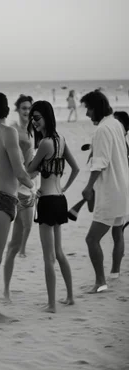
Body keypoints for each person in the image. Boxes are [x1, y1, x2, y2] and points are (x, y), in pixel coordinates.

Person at [0, 92, 34, 323]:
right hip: (4, 201)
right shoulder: (9, 132)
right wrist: (32, 185)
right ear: (7, 109)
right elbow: (19, 171)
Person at [26, 101, 79, 313]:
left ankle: (51, 304)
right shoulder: (61, 140)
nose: (34, 122)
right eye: (32, 118)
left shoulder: (45, 144)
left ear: (47, 117)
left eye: (37, 118)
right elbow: (75, 168)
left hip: (47, 202)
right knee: (59, 252)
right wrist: (64, 186)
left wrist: (30, 153)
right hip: (59, 200)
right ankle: (70, 297)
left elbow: (28, 169)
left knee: (48, 256)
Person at [81, 91, 129, 292]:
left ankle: (101, 282)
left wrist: (88, 186)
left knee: (92, 239)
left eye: (88, 109)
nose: (86, 114)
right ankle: (115, 272)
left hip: (110, 192)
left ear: (96, 108)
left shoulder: (102, 130)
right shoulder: (116, 124)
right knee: (117, 232)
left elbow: (100, 163)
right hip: (123, 189)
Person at [3, 94, 36, 301]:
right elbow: (11, 161)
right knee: (13, 245)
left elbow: (32, 159)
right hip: (16, 189)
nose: (27, 111)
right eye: (24, 108)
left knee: (28, 226)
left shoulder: (33, 131)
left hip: (29, 187)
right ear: (17, 109)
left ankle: (23, 249)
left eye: (29, 108)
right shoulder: (13, 129)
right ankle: (6, 288)